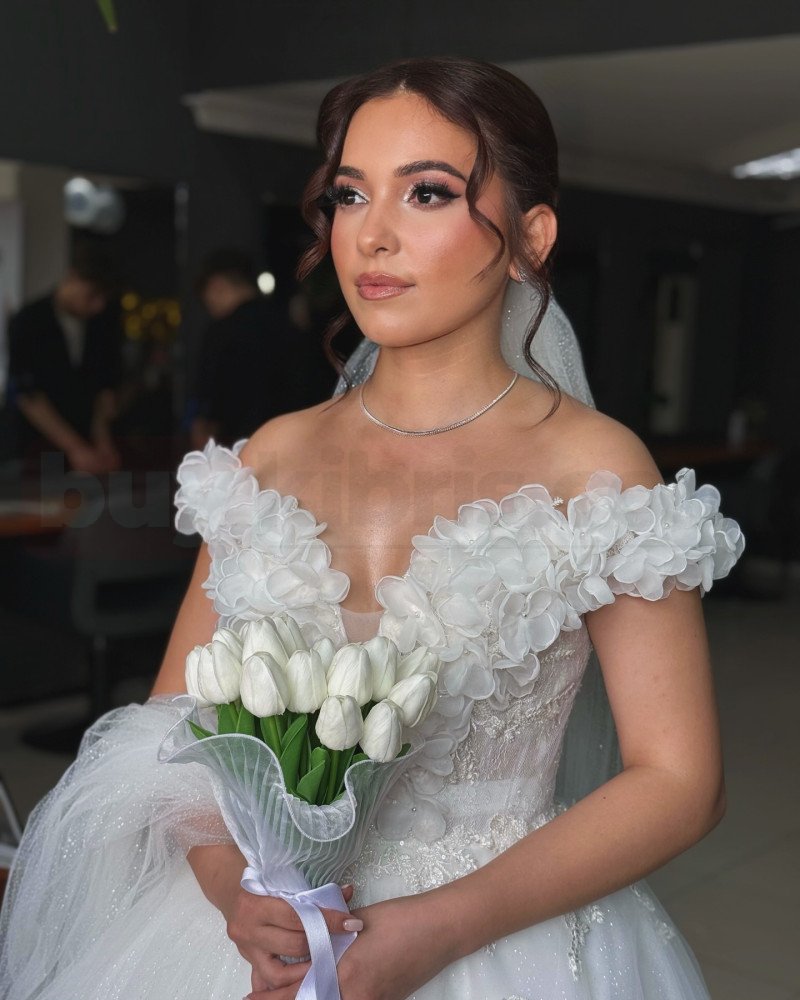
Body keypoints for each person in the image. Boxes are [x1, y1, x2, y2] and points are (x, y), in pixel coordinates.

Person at [0, 58, 745, 999]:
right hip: (239, 943)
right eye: (350, 195)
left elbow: (679, 780)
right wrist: (234, 889)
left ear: (531, 237)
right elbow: (171, 731)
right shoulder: (270, 454)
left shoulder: (593, 468)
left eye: (427, 192)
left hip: (494, 938)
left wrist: (442, 926)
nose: (372, 235)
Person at [190, 249, 334, 449]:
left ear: (217, 285)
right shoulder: (290, 323)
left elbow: (210, 397)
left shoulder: (221, 332)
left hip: (240, 447)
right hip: (297, 440)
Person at [6, 247, 122, 475]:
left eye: (103, 298)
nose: (98, 306)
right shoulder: (29, 321)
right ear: (72, 277)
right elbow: (28, 395)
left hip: (85, 445)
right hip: (32, 449)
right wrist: (75, 448)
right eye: (92, 295)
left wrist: (102, 441)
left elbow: (103, 387)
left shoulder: (102, 323)